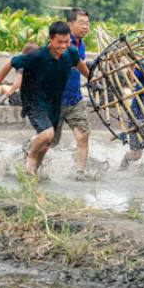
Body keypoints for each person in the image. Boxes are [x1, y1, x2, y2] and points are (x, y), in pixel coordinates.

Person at [0, 22, 89, 177]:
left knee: (47, 143)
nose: (63, 46)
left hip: (54, 102)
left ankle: (32, 172)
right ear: (50, 39)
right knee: (47, 134)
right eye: (59, 42)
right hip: (34, 100)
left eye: (66, 41)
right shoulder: (37, 55)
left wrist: (93, 80)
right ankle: (30, 155)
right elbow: (10, 63)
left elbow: (82, 67)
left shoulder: (71, 53)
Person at [51, 9, 93, 180]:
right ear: (69, 24)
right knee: (50, 141)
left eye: (87, 23)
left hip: (75, 98)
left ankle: (79, 173)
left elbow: (80, 66)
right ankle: (26, 155)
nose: (85, 26)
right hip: (56, 99)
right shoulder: (61, 44)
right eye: (81, 22)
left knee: (83, 135)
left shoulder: (80, 44)